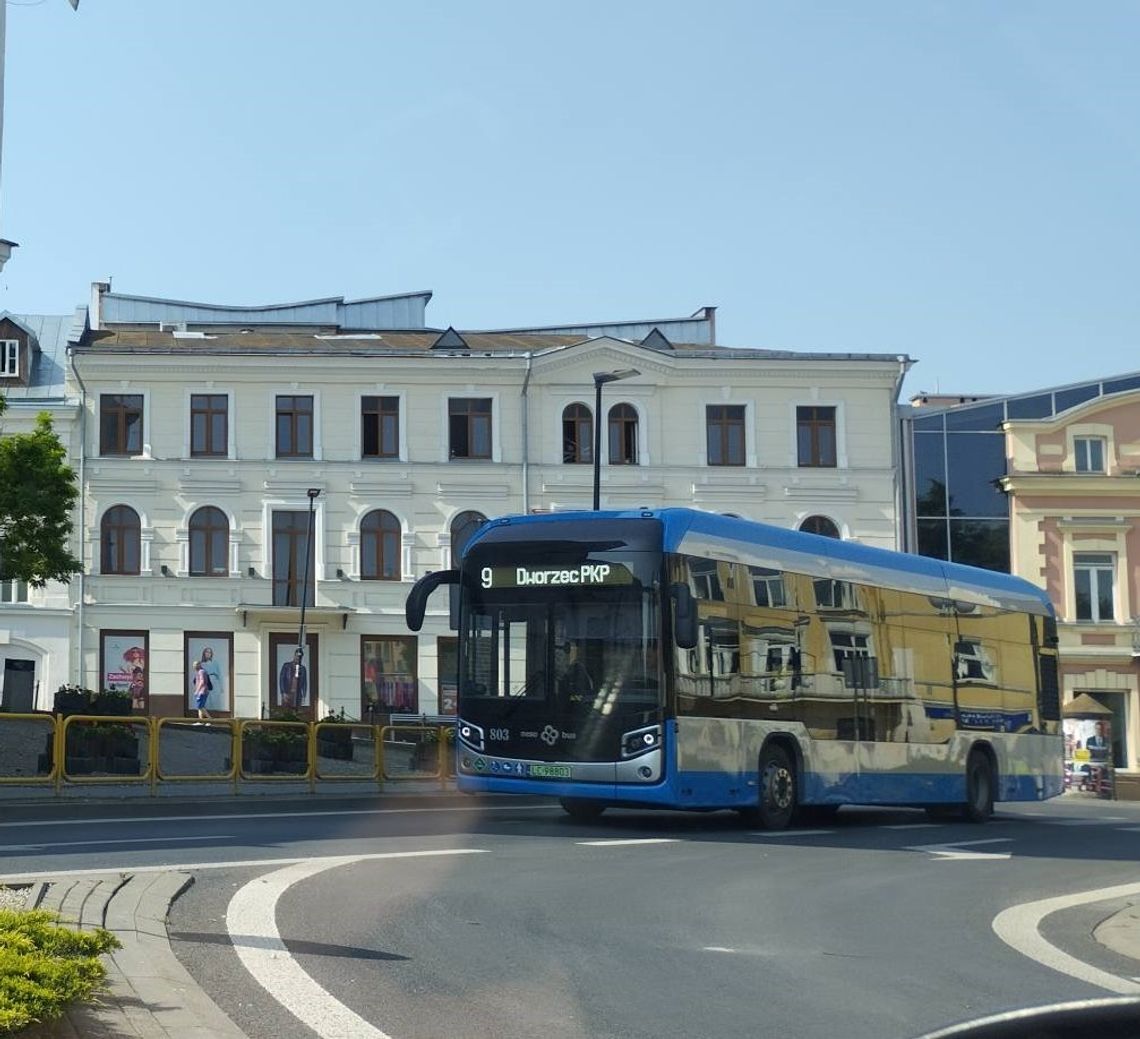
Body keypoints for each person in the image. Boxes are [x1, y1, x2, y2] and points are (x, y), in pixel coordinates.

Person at [200, 645, 223, 712]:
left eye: (210, 652)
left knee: (215, 699)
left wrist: (221, 687)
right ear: (204, 653)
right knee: (207, 700)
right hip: (206, 681)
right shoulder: (202, 664)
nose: (208, 654)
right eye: (206, 652)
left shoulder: (215, 663)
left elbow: (220, 675)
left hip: (214, 681)